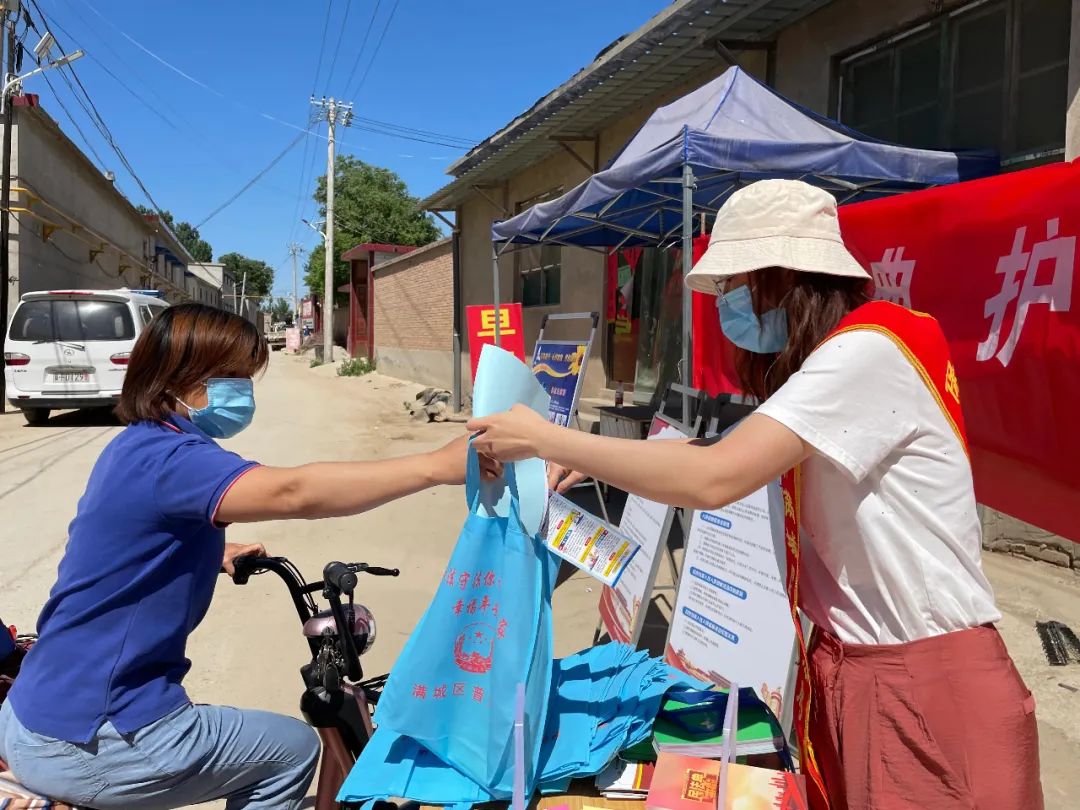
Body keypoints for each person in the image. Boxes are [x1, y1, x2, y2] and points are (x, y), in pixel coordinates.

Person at [469, 180, 1042, 810]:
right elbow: (706, 455)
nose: (727, 304)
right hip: (861, 667)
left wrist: (551, 436)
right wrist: (576, 454)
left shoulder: (868, 350)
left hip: (919, 682)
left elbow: (716, 477)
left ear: (785, 274)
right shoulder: (836, 359)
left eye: (736, 284)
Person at [0, 303, 497, 810]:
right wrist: (435, 466)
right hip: (90, 737)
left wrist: (211, 549)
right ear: (176, 379)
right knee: (292, 748)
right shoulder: (177, 460)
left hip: (34, 713)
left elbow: (121, 539)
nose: (242, 391)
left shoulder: (136, 445)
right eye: (230, 376)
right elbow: (294, 492)